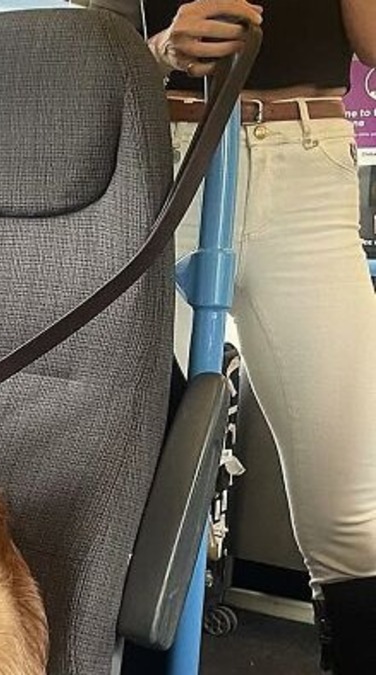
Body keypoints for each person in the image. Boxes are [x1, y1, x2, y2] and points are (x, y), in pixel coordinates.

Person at [89, 0, 376, 671]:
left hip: (306, 167)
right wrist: (159, 50)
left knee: (357, 520)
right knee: (121, 495)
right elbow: (90, 49)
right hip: (166, 160)